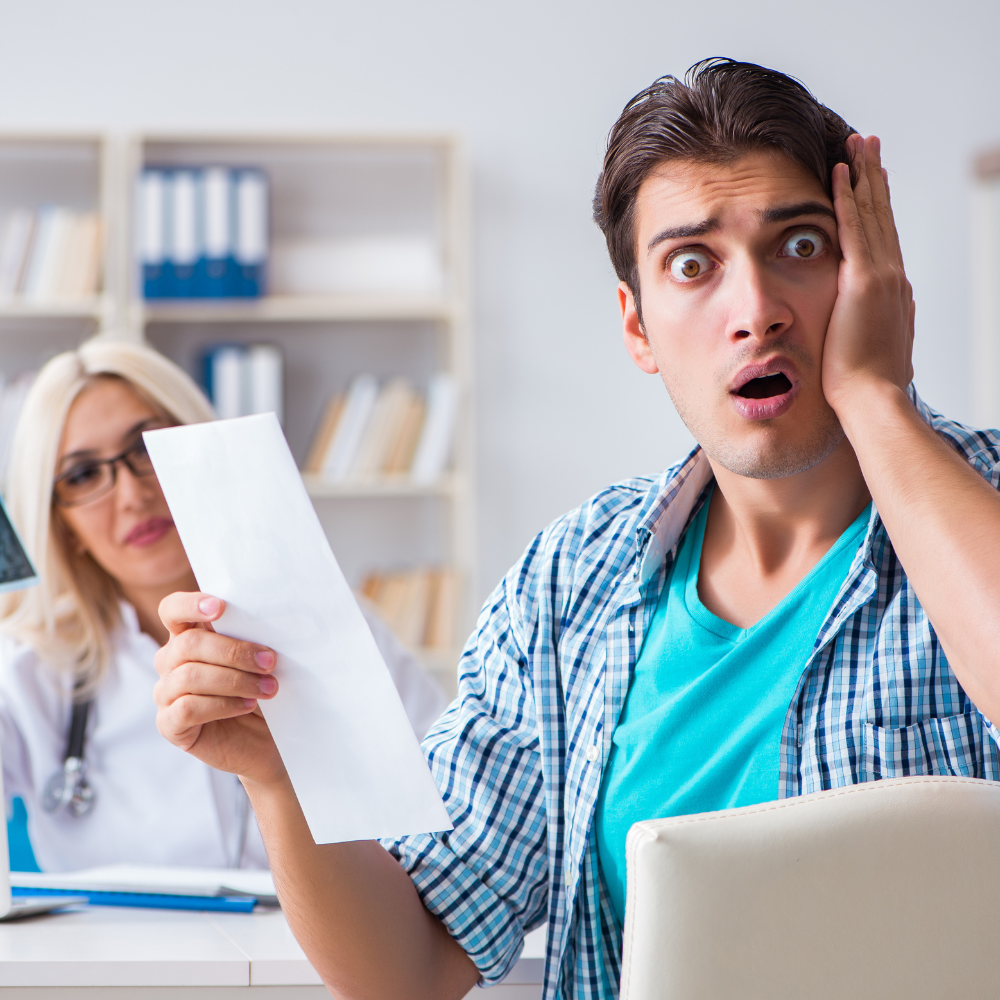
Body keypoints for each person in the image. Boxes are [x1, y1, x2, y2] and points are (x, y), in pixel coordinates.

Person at [153, 57, 1000, 1000]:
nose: (755, 311)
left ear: (871, 276)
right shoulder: (570, 581)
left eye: (800, 247)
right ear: (637, 326)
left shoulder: (985, 506)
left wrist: (877, 400)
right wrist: (280, 780)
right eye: (693, 265)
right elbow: (408, 966)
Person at [0, 338, 445, 872]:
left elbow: (449, 801)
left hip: (307, 954)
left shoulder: (337, 626)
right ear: (62, 525)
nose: (131, 495)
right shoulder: (28, 671)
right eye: (82, 475)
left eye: (145, 447)